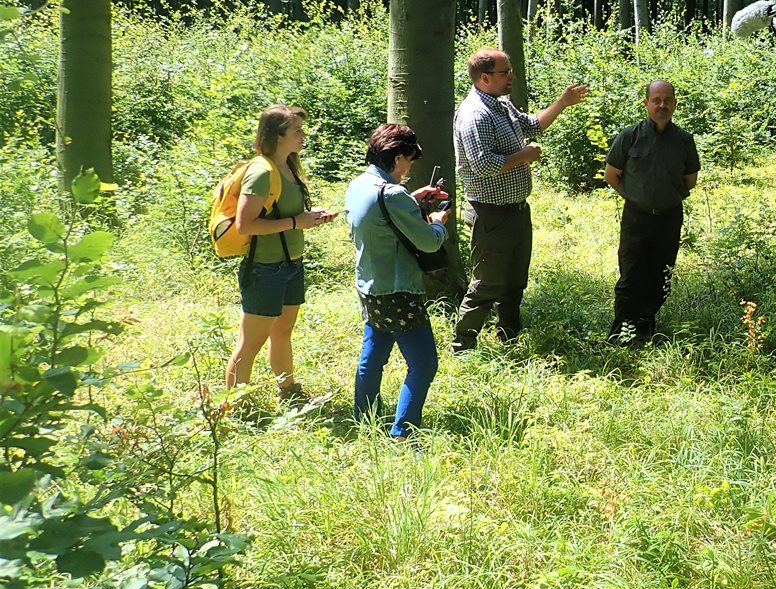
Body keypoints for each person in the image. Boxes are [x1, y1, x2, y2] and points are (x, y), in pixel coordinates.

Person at [450, 48, 589, 350]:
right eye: (505, 72)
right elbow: (483, 165)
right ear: (484, 77)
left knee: (514, 281)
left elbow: (533, 125)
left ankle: (508, 336)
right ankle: (463, 345)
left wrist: (563, 102)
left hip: (515, 211)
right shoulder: (476, 114)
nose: (512, 76)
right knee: (487, 283)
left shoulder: (501, 105)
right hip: (490, 214)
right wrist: (524, 156)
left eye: (511, 70)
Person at [224, 105, 339, 401]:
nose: (303, 135)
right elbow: (245, 224)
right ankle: (234, 407)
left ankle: (288, 391)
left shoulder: (289, 166)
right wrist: (295, 222)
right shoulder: (262, 171)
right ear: (277, 135)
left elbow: (284, 212)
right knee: (251, 343)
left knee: (283, 331)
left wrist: (309, 216)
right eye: (297, 131)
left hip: (291, 264)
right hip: (265, 268)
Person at [345, 124, 451, 437]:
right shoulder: (392, 194)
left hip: (370, 287)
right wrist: (437, 223)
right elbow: (429, 242)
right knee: (424, 363)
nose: (409, 168)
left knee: (373, 357)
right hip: (398, 291)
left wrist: (412, 199)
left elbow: (382, 216)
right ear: (398, 157)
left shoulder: (359, 185)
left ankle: (363, 417)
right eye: (409, 161)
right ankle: (403, 432)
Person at [602, 80, 700, 343]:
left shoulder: (684, 141)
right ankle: (621, 332)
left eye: (667, 100)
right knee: (631, 275)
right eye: (656, 100)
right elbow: (611, 175)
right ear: (646, 103)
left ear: (675, 104)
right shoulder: (629, 137)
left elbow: (690, 180)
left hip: (669, 217)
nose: (662, 105)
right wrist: (635, 197)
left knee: (661, 276)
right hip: (636, 217)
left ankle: (645, 327)